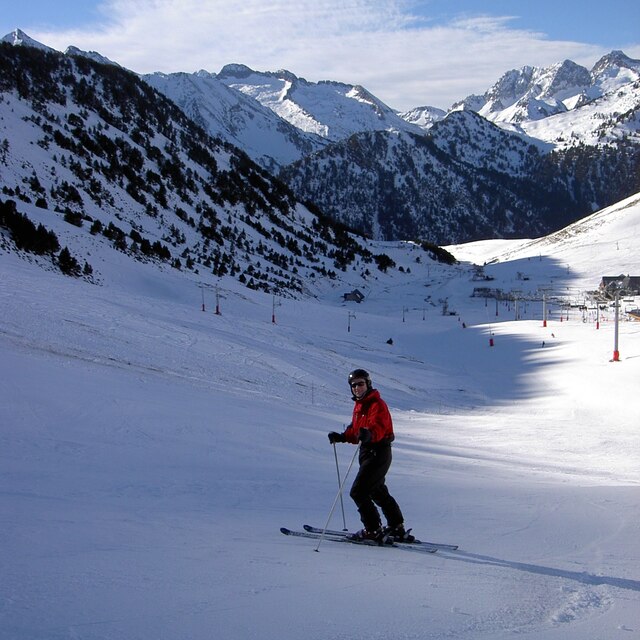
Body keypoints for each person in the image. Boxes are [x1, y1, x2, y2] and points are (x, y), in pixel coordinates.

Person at [328, 368, 411, 543]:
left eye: (360, 384)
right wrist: (342, 437)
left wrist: (370, 435)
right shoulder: (360, 405)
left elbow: (379, 427)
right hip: (368, 452)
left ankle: (373, 530)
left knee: (358, 491)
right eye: (353, 385)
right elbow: (356, 430)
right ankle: (396, 526)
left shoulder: (377, 404)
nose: (356, 388)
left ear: (368, 384)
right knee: (377, 490)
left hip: (378, 451)